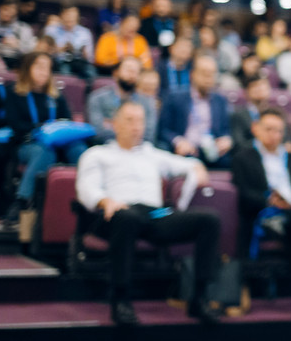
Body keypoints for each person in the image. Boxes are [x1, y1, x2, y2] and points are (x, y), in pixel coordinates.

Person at [75, 101, 223, 326]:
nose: (136, 126)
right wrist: (105, 201)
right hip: (116, 212)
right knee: (127, 217)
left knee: (209, 219)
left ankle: (200, 297)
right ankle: (120, 299)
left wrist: (198, 166)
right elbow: (87, 188)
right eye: (129, 120)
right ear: (114, 124)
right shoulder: (97, 154)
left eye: (140, 121)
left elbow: (186, 164)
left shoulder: (151, 154)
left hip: (154, 215)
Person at [231, 108, 291, 320]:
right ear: (256, 129)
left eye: (279, 131)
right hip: (265, 215)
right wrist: (270, 200)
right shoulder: (243, 157)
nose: (275, 135)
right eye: (269, 129)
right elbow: (244, 195)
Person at [0, 52, 86, 225]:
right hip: (27, 143)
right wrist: (42, 129)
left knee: (79, 148)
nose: (43, 71)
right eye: (39, 66)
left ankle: (86, 199)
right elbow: (15, 125)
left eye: (47, 68)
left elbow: (66, 121)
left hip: (57, 142)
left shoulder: (56, 96)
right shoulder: (15, 93)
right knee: (44, 152)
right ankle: (22, 201)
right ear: (28, 69)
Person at [158, 55, 232, 167]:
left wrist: (226, 139)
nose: (208, 78)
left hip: (212, 151)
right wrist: (178, 141)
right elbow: (163, 130)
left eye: (212, 74)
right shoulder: (175, 97)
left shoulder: (220, 100)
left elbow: (225, 130)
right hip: (185, 150)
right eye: (204, 73)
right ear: (192, 74)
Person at [86, 56, 158, 145]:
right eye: (128, 70)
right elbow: (98, 130)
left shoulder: (147, 102)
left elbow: (149, 134)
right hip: (106, 146)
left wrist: (111, 125)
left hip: (138, 149)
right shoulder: (98, 98)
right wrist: (132, 132)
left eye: (136, 71)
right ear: (116, 73)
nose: (132, 74)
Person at [45, 5, 96, 80]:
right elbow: (43, 52)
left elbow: (90, 58)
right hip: (59, 62)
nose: (70, 18)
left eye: (72, 16)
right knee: (65, 71)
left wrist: (83, 53)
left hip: (80, 63)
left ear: (77, 17)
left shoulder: (85, 33)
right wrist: (57, 50)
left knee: (91, 72)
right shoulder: (51, 30)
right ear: (61, 15)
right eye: (67, 15)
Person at [230, 76, 274, 150]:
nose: (260, 89)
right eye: (255, 86)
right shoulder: (238, 116)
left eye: (263, 85)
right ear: (246, 92)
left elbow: (286, 140)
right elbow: (238, 143)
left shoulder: (276, 114)